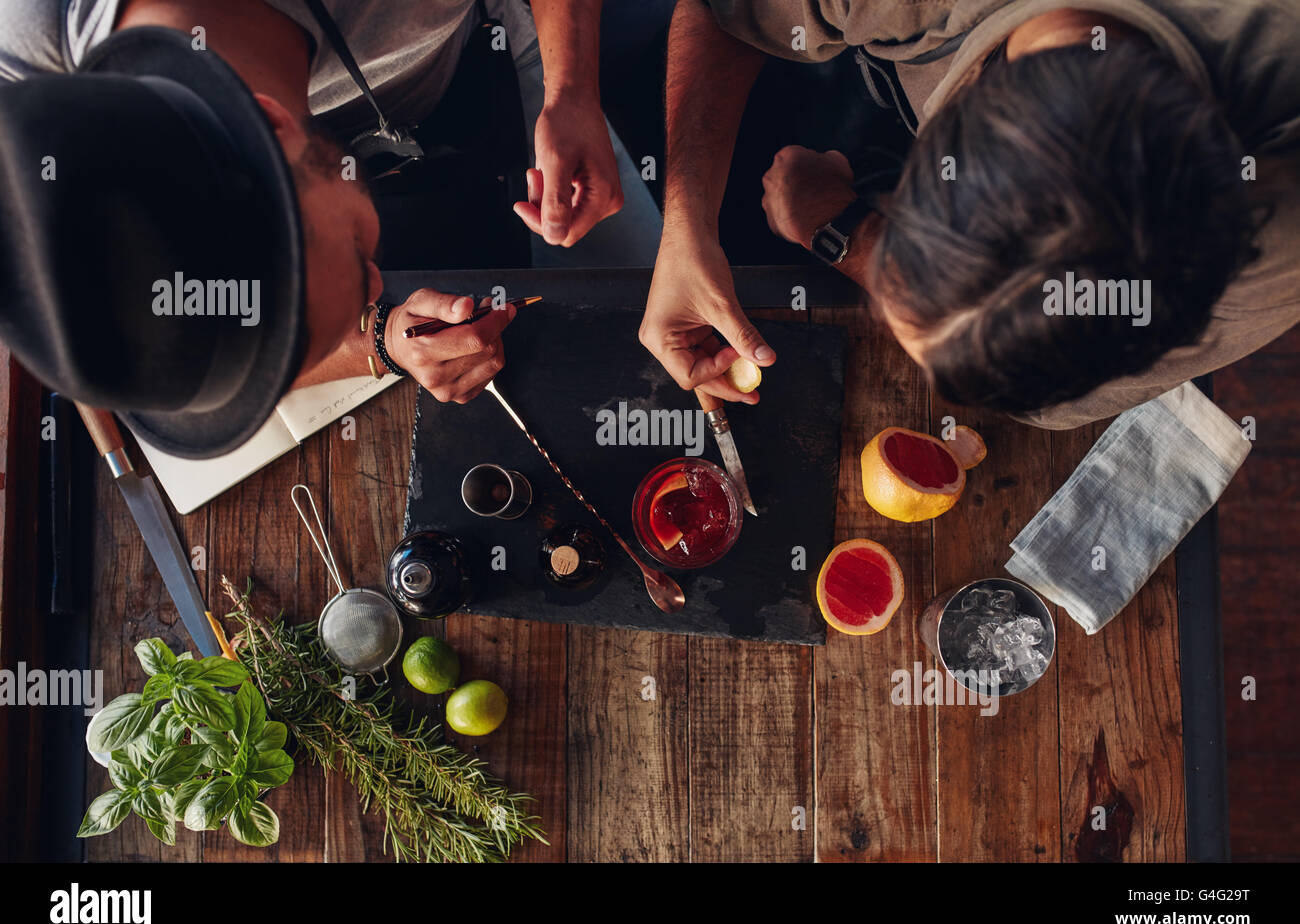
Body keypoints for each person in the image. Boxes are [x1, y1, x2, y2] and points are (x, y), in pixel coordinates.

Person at [0, 0, 660, 457]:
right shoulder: (29, 111)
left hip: (493, 52)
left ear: (275, 124)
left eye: (355, 256)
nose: (382, 281)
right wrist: (376, 338)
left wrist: (572, 89)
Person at [639, 1, 1298, 429]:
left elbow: (1052, 398)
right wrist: (685, 223)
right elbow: (722, 13)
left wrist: (848, 235)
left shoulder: (1278, 227)